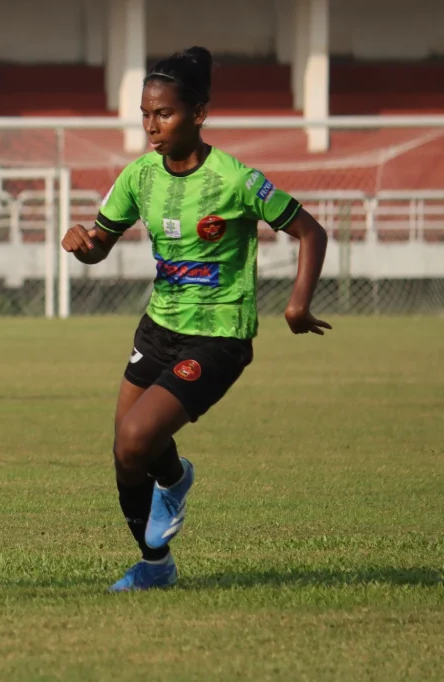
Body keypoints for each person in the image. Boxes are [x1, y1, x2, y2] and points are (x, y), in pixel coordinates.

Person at [61, 46, 330, 592]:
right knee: (124, 453)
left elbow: (310, 231)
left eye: (164, 114)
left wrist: (297, 302)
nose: (151, 126)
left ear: (199, 114)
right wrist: (81, 244)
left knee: (136, 439)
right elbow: (100, 247)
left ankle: (177, 478)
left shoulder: (235, 180)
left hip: (218, 338)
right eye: (145, 114)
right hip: (158, 328)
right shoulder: (138, 177)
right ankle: (155, 565)